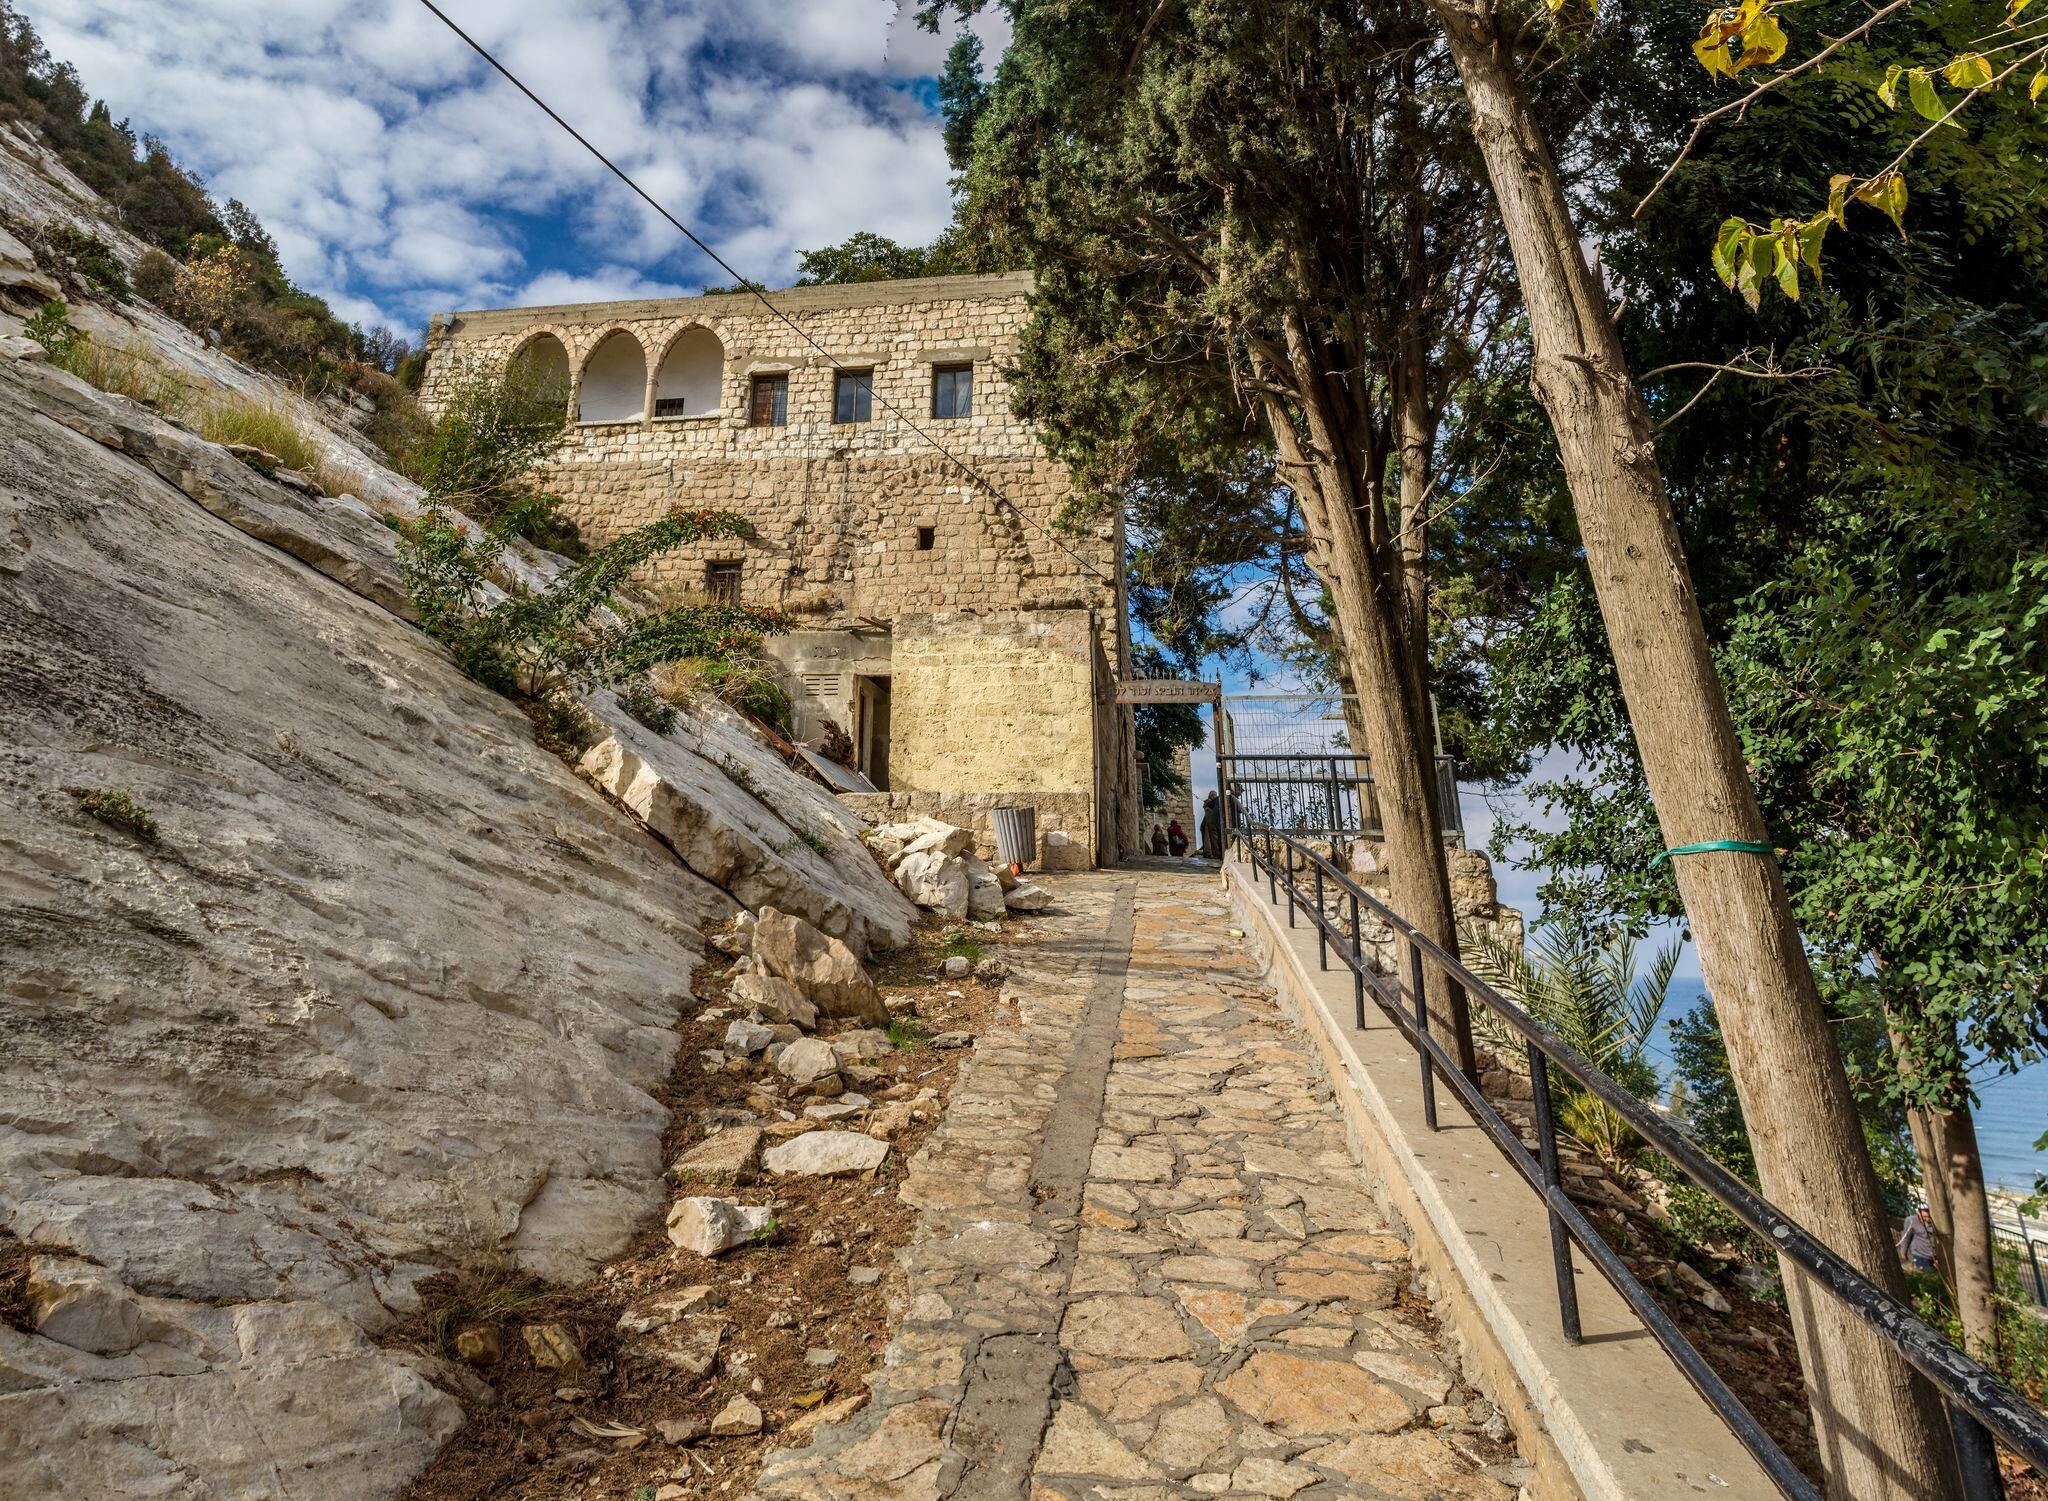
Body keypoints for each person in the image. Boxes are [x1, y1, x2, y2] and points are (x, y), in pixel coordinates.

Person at [1897, 1204, 1937, 1271]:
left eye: (1929, 1216)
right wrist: (1903, 1252)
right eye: (1924, 1217)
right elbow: (1906, 1237)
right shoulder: (1911, 1221)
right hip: (1920, 1254)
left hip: (1934, 1256)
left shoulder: (1934, 1221)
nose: (1927, 1219)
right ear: (1918, 1212)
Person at [1199, 790, 1223, 859]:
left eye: (1214, 795)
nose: (1213, 796)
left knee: (1214, 839)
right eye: (1212, 795)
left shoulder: (1212, 803)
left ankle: (1215, 853)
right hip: (1211, 824)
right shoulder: (1211, 804)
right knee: (1213, 839)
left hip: (1212, 824)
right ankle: (1215, 853)